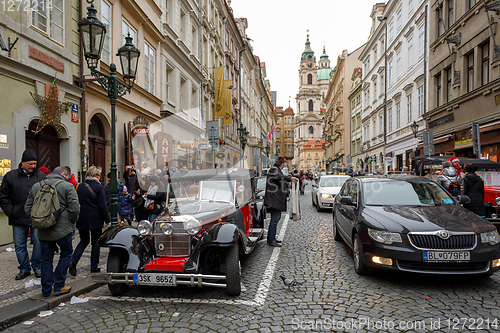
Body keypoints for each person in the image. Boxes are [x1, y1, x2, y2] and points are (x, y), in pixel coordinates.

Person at [25, 166, 80, 298]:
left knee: (46, 259)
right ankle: (59, 285)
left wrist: (38, 221)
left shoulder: (36, 186)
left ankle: (45, 290)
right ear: (63, 174)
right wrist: (71, 222)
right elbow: (75, 209)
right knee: (66, 254)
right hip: (63, 229)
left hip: (43, 229)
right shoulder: (67, 186)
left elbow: (28, 208)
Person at [0, 149, 45, 280]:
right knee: (19, 245)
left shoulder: (41, 176)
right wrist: (11, 212)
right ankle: (24, 268)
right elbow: (3, 197)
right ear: (23, 163)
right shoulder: (10, 176)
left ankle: (37, 266)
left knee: (39, 243)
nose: (33, 166)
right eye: (30, 163)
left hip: (37, 217)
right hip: (17, 217)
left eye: (35, 163)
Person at [69, 166, 110, 276]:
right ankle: (94, 267)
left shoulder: (79, 186)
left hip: (82, 218)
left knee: (83, 241)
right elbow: (102, 206)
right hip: (95, 219)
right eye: (99, 175)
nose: (100, 177)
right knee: (95, 242)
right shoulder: (99, 187)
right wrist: (107, 220)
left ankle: (73, 261)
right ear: (95, 175)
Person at [263, 157, 298, 247]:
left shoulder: (276, 170)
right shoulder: (274, 170)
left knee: (276, 219)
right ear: (282, 164)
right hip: (274, 200)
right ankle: (271, 240)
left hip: (275, 200)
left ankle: (271, 238)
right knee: (275, 219)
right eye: (284, 164)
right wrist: (290, 178)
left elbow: (280, 181)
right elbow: (279, 178)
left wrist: (289, 185)